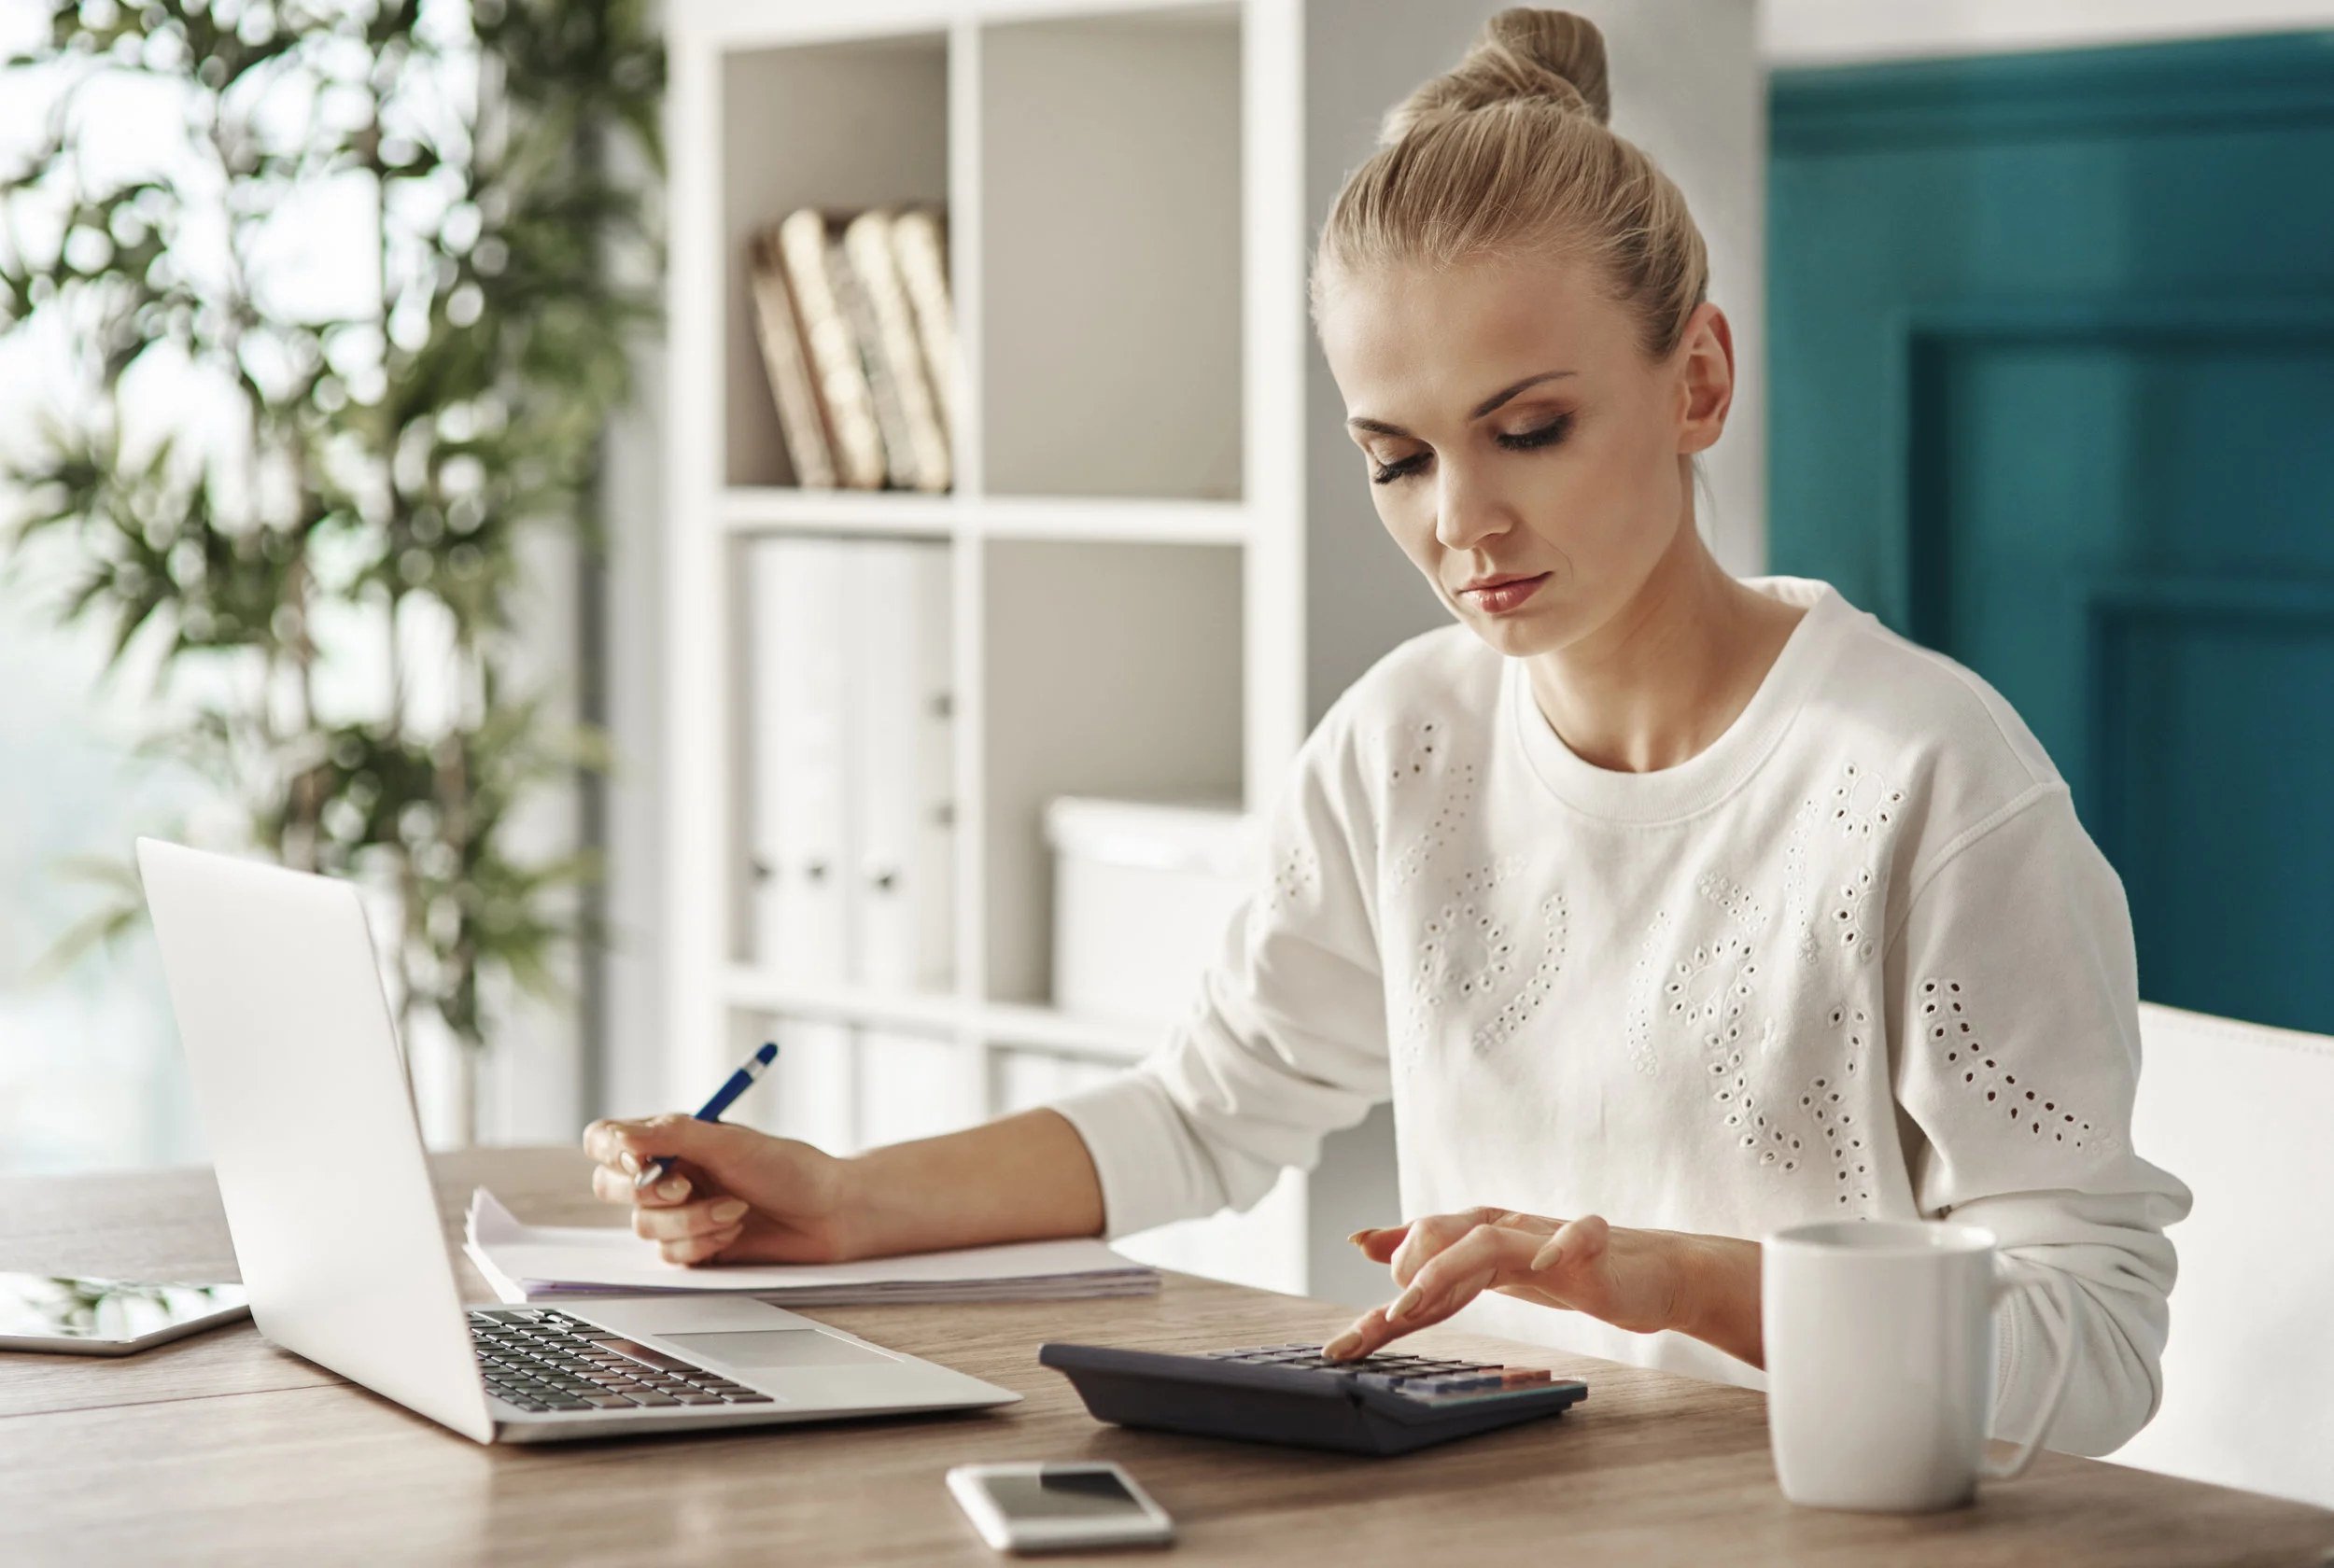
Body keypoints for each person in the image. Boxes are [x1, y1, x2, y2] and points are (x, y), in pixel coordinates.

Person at [585, 8, 2188, 1455]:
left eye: (1531, 430)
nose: (1464, 522)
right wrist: (844, 1200)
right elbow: (1211, 1107)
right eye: (1396, 458)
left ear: (1697, 376)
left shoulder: (1927, 784)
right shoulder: (1405, 744)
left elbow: (2096, 1351)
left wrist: (1668, 1281)